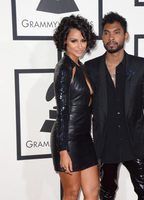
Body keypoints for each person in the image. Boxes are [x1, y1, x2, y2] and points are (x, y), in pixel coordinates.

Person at [85, 12, 144, 200]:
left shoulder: (141, 66)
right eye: (107, 33)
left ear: (125, 35)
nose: (111, 38)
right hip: (104, 142)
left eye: (116, 32)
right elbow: (85, 108)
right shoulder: (90, 68)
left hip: (134, 141)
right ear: (102, 36)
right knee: (106, 193)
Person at [50, 15, 99, 200]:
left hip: (84, 137)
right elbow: (62, 111)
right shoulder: (64, 68)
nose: (80, 45)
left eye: (83, 40)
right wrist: (63, 150)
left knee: (93, 192)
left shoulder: (81, 67)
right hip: (67, 139)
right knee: (71, 193)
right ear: (64, 41)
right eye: (74, 41)